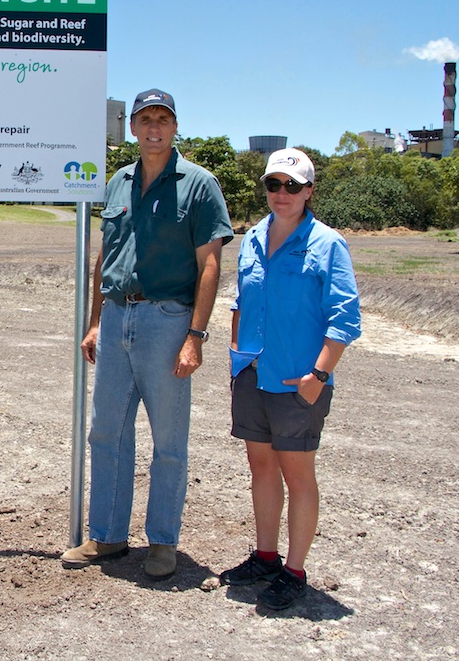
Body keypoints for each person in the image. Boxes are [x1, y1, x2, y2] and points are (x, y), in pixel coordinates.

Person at [61, 89, 233, 580]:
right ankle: (109, 536)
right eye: (145, 119)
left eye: (163, 118)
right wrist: (95, 321)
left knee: (169, 440)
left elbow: (211, 264)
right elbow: (105, 257)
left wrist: (195, 335)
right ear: (132, 128)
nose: (154, 127)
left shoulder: (200, 185)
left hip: (168, 320)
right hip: (116, 318)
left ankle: (163, 542)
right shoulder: (117, 182)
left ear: (175, 127)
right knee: (106, 431)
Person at [219, 148, 361, 610]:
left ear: (309, 191)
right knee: (261, 468)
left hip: (298, 382)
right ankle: (265, 556)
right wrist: (236, 359)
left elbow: (346, 317)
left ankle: (294, 572)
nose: (282, 194)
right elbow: (242, 302)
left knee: (298, 476)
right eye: (274, 185)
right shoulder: (254, 237)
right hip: (252, 374)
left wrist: (319, 374)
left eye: (293, 186)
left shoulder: (327, 243)